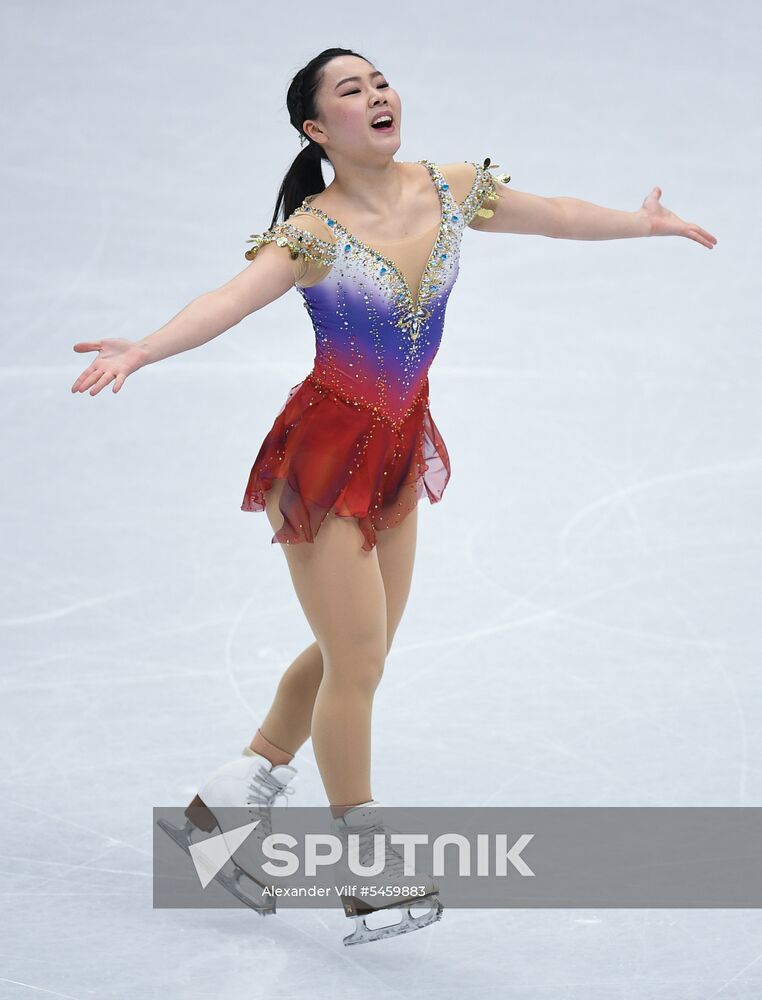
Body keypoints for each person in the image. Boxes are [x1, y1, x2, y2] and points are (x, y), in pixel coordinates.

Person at [71, 47, 717, 945]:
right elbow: (227, 298)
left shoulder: (449, 188)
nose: (377, 96)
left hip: (398, 448)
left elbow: (557, 214)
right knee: (358, 657)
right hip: (323, 454)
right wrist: (141, 347)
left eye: (380, 82)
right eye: (351, 90)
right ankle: (365, 867)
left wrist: (641, 225)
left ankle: (218, 816)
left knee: (358, 652)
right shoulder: (313, 233)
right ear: (316, 128)